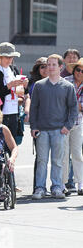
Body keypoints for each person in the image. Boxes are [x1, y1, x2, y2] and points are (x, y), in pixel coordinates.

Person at [30, 54, 78, 200]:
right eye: (48, 65)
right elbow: (34, 108)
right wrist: (33, 126)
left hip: (59, 130)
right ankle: (39, 188)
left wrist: (67, 127)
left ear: (60, 67)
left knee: (58, 161)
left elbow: (73, 109)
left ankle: (57, 187)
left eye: (53, 65)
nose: (50, 67)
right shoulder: (39, 86)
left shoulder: (68, 87)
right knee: (42, 161)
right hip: (42, 130)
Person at [0, 42, 28, 144]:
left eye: (11, 57)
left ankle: (10, 160)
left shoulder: (13, 69)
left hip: (14, 111)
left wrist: (24, 85)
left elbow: (22, 91)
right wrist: (9, 86)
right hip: (2, 112)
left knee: (12, 142)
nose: (10, 60)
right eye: (7, 57)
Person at [62, 58, 83, 195]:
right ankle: (62, 184)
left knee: (77, 154)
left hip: (79, 123)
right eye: (78, 69)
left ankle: (80, 183)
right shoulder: (65, 82)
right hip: (64, 124)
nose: (80, 73)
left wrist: (77, 106)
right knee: (63, 155)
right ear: (74, 70)